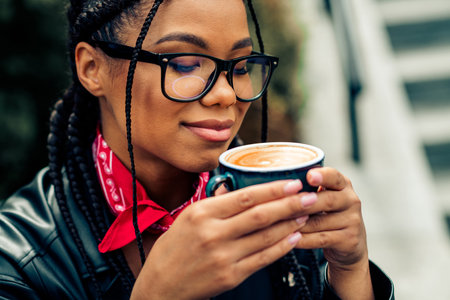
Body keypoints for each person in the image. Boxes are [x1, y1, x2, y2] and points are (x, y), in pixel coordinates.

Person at [0, 0, 394, 299]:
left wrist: (351, 273)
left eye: (240, 67)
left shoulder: (280, 208)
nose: (226, 94)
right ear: (92, 69)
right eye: (185, 64)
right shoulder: (20, 260)